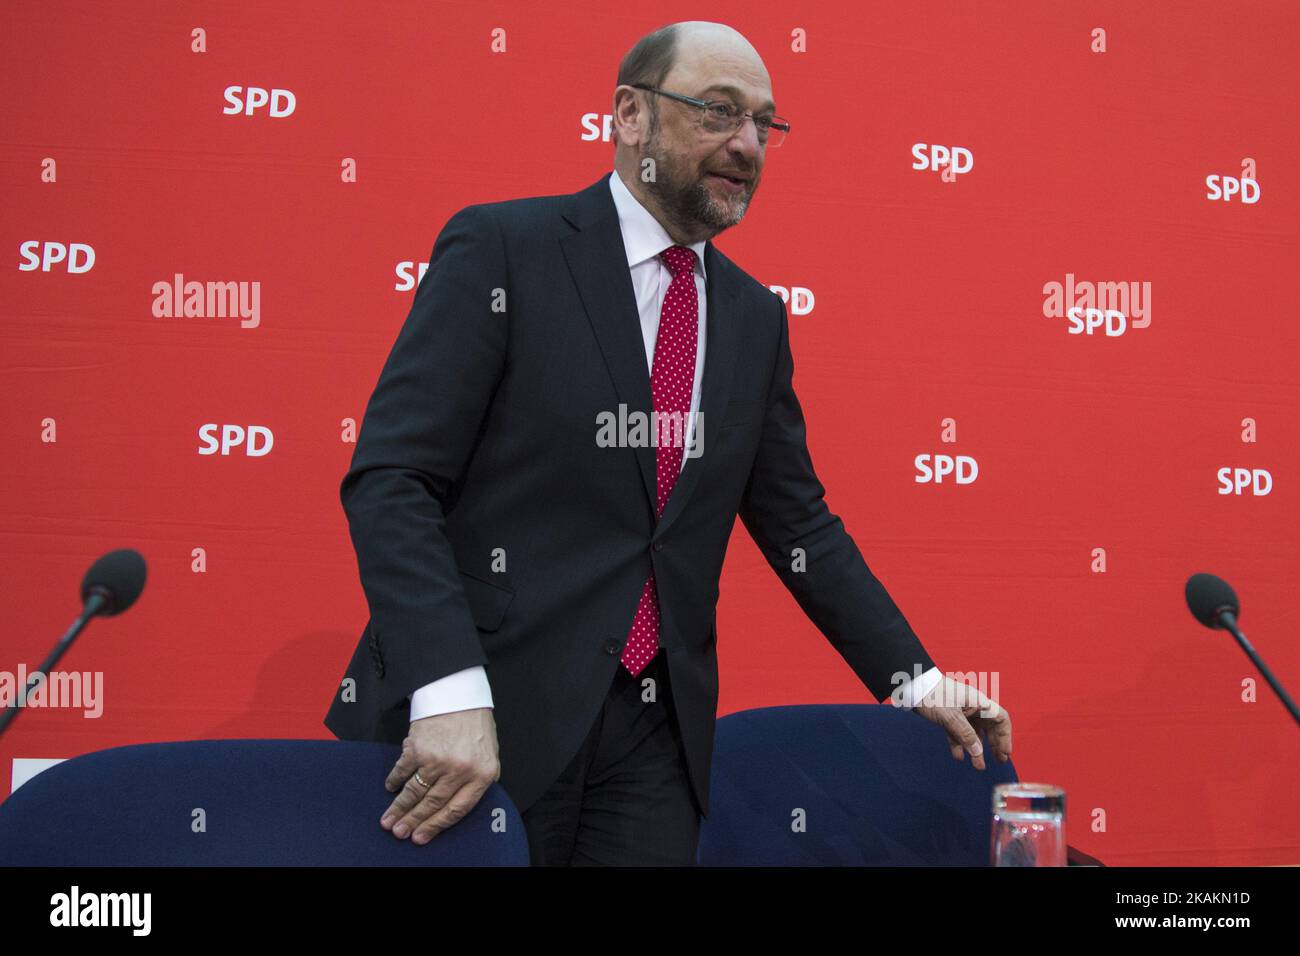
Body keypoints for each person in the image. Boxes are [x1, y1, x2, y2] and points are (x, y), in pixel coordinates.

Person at [324, 19, 1012, 866]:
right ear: (631, 116)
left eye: (765, 124)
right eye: (719, 112)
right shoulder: (505, 250)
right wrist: (447, 689)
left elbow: (800, 528)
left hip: (653, 745)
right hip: (475, 728)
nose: (748, 144)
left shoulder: (754, 318)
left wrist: (918, 679)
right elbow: (394, 478)